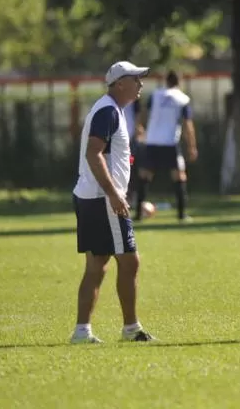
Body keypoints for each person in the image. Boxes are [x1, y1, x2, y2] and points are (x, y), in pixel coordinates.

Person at [70, 60, 156, 344]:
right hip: (102, 199)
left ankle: (82, 331)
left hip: (94, 197)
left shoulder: (111, 109)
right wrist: (114, 192)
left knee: (97, 265)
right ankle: (131, 329)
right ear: (120, 83)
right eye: (136, 79)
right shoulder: (107, 111)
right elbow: (94, 154)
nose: (141, 84)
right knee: (130, 262)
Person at [140, 70, 198, 222]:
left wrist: (143, 129)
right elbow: (188, 124)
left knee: (145, 175)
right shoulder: (183, 99)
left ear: (166, 81)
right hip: (170, 142)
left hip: (152, 140)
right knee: (179, 176)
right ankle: (181, 214)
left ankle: (138, 214)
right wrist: (192, 146)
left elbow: (144, 113)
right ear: (179, 81)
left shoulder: (155, 95)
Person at [122, 97, 150, 220]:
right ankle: (125, 197)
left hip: (130, 142)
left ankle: (130, 197)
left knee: (131, 167)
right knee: (127, 169)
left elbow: (138, 118)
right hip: (123, 141)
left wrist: (139, 131)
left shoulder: (134, 100)